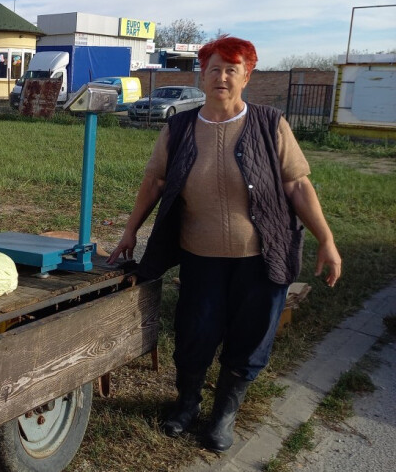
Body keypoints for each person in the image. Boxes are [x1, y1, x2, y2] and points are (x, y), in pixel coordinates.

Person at [107, 35, 342, 452]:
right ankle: (187, 403)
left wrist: (326, 239)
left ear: (247, 76)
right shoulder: (180, 126)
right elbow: (155, 181)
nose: (221, 77)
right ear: (202, 75)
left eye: (232, 69)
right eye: (214, 68)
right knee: (195, 334)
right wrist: (130, 231)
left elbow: (297, 185)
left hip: (260, 258)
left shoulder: (270, 124)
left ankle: (224, 414)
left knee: (250, 338)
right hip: (201, 258)